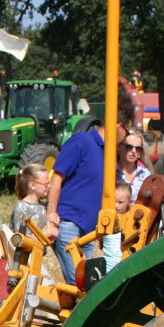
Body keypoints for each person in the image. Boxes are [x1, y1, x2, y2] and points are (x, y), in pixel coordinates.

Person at [11, 164, 58, 327]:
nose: (48, 187)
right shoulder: (21, 208)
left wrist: (51, 230)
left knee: (35, 313)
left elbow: (44, 242)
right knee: (24, 312)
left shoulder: (40, 210)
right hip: (23, 268)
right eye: (45, 183)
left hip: (37, 267)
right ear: (32, 185)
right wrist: (47, 231)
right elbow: (23, 239)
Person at [46, 121, 106, 283]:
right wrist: (51, 221)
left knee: (87, 283)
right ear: (119, 126)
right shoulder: (81, 142)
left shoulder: (109, 152)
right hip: (68, 223)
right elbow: (56, 179)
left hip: (89, 230)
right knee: (79, 284)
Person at [101, 181, 132, 273]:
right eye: (114, 201)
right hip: (111, 265)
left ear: (129, 202)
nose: (116, 205)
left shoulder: (132, 219)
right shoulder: (107, 218)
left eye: (120, 202)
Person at [118, 131, 151, 201]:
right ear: (119, 148)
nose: (134, 151)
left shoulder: (146, 174)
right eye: (129, 147)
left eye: (138, 148)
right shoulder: (110, 171)